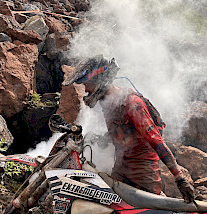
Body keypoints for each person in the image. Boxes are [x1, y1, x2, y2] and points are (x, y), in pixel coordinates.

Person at [63, 55, 195, 203]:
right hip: (120, 169)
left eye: (87, 83)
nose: (86, 89)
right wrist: (103, 139)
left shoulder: (132, 104)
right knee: (111, 206)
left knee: (146, 211)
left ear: (100, 80)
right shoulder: (108, 101)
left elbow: (157, 142)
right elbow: (124, 129)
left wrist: (180, 179)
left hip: (142, 172)